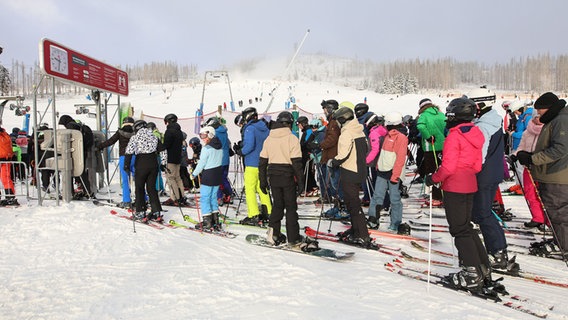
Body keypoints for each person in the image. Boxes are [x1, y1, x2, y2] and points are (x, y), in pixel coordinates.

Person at [425, 97, 491, 292]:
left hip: (455, 186)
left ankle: (471, 273)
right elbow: (478, 164)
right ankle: (482, 268)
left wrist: (433, 178)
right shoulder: (475, 132)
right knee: (466, 227)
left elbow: (448, 167)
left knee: (459, 229)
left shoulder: (454, 135)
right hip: (470, 182)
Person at [468, 87, 518, 273]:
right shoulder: (492, 119)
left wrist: (469, 171)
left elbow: (479, 154)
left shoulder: (483, 126)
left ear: (481, 104)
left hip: (484, 174)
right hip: (493, 172)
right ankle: (497, 250)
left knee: (483, 214)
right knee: (482, 213)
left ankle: (497, 252)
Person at [516, 92, 568, 258]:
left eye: (540, 111)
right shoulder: (556, 118)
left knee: (558, 213)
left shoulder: (561, 120)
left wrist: (533, 159)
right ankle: (560, 240)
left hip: (557, 175)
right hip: (553, 174)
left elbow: (560, 148)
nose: (538, 115)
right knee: (556, 212)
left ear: (549, 108)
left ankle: (564, 246)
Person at [259, 111, 314, 249]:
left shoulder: (269, 138)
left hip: (273, 176)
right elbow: (296, 163)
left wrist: (262, 181)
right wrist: (301, 182)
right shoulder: (292, 138)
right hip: (287, 176)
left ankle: (273, 234)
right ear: (289, 124)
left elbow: (262, 162)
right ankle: (293, 237)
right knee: (290, 207)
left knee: (277, 205)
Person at [327, 107, 370, 246]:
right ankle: (355, 230)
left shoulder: (347, 134)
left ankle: (362, 234)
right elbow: (366, 149)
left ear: (342, 119)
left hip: (350, 172)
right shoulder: (359, 131)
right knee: (352, 203)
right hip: (360, 170)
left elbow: (343, 155)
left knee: (353, 204)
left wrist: (333, 162)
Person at [366, 112, 408, 233]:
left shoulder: (401, 138)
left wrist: (396, 175)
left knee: (394, 199)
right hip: (383, 171)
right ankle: (373, 219)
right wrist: (379, 165)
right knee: (377, 196)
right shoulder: (387, 135)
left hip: (394, 173)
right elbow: (383, 153)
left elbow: (400, 158)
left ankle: (395, 222)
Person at [237, 107, 271, 225]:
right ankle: (268, 212)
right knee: (262, 187)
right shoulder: (265, 127)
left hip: (252, 163)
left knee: (250, 189)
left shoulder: (250, 128)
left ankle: (253, 214)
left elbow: (249, 145)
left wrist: (241, 151)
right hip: (263, 162)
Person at [124, 120, 163, 222]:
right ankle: (156, 212)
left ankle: (141, 212)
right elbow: (162, 150)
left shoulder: (135, 137)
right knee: (151, 188)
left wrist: (126, 165)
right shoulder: (154, 136)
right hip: (153, 163)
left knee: (140, 188)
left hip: (141, 163)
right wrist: (163, 163)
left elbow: (129, 151)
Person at [513, 115, 546, 230]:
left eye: (539, 116)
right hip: (528, 165)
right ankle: (537, 217)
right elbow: (521, 146)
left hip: (542, 166)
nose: (537, 119)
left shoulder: (547, 129)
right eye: (535, 117)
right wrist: (516, 155)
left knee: (543, 193)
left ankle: (548, 220)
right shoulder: (528, 130)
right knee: (530, 191)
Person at [97, 117, 135, 208]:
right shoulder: (136, 132)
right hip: (135, 157)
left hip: (124, 157)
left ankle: (126, 200)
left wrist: (100, 146)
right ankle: (143, 198)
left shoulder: (120, 132)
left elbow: (111, 141)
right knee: (138, 179)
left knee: (125, 180)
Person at [191, 126, 224, 230]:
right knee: (213, 197)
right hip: (217, 174)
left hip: (209, 174)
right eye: (201, 136)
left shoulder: (206, 148)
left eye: (204, 135)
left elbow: (201, 164)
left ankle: (207, 222)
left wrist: (193, 174)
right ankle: (215, 220)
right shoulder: (219, 146)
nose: (203, 138)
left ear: (210, 134)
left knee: (205, 198)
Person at [416, 98, 446, 206]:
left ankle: (436, 197)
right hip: (443, 146)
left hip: (431, 146)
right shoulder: (440, 114)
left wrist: (428, 136)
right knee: (442, 170)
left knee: (432, 171)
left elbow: (420, 125)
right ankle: (444, 194)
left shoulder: (424, 115)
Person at [58, 115, 94, 198]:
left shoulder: (70, 126)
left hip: (73, 152)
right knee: (81, 171)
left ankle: (70, 192)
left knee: (69, 171)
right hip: (82, 151)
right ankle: (87, 190)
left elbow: (69, 140)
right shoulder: (79, 126)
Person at [202, 116, 233, 205]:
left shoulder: (215, 133)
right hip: (225, 159)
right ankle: (228, 194)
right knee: (223, 178)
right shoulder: (223, 132)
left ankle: (219, 197)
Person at [160, 113, 187, 206]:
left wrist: (160, 147)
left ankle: (175, 198)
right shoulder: (179, 131)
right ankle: (181, 196)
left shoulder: (169, 131)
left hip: (170, 158)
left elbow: (166, 145)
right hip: (177, 158)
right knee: (178, 178)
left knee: (171, 178)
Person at [318, 99, 341, 203]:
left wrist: (320, 145)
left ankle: (340, 204)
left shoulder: (334, 122)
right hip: (329, 155)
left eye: (325, 110)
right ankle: (337, 204)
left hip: (333, 156)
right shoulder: (331, 122)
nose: (324, 112)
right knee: (331, 182)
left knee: (334, 183)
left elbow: (332, 138)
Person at [296, 115, 319, 196]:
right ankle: (310, 187)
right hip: (305, 154)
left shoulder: (308, 131)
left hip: (308, 155)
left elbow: (306, 143)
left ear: (303, 124)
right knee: (306, 171)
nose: (299, 127)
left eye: (299, 125)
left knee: (308, 171)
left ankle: (312, 187)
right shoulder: (306, 131)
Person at [0, 124, 17, 205]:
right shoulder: (5, 134)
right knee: (6, 177)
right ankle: (10, 196)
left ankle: (9, 196)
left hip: (3, 157)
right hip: (6, 158)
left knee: (5, 177)